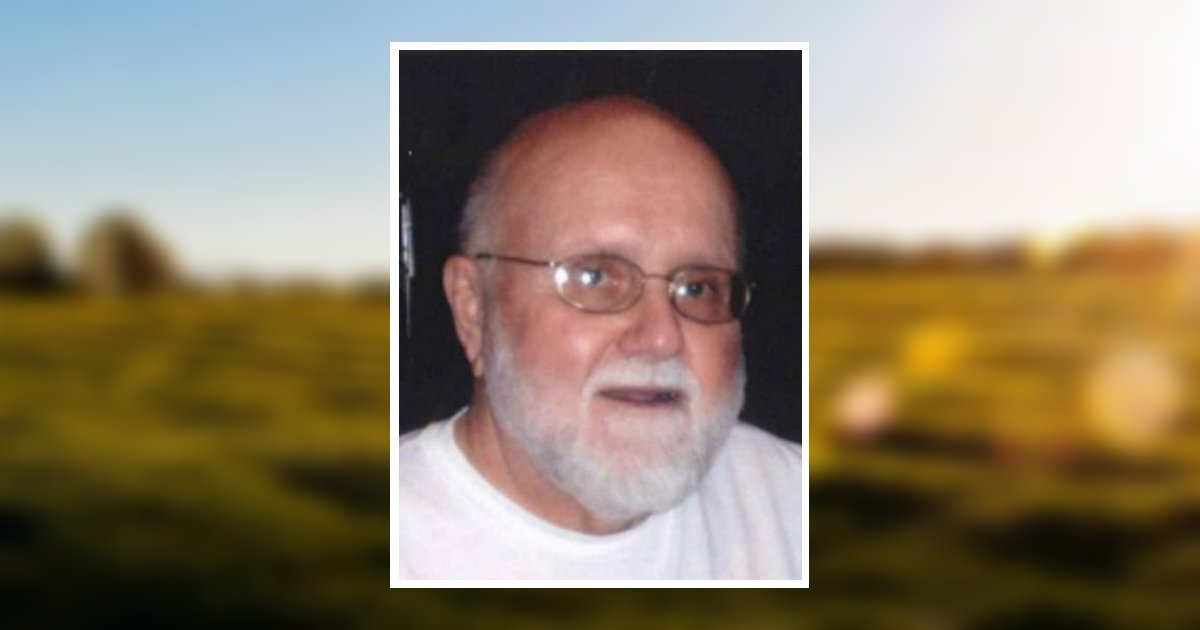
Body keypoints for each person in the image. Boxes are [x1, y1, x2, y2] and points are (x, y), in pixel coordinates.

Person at [395, 95, 803, 579]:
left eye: (697, 287)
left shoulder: (792, 508)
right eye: (594, 277)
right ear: (473, 310)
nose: (661, 338)